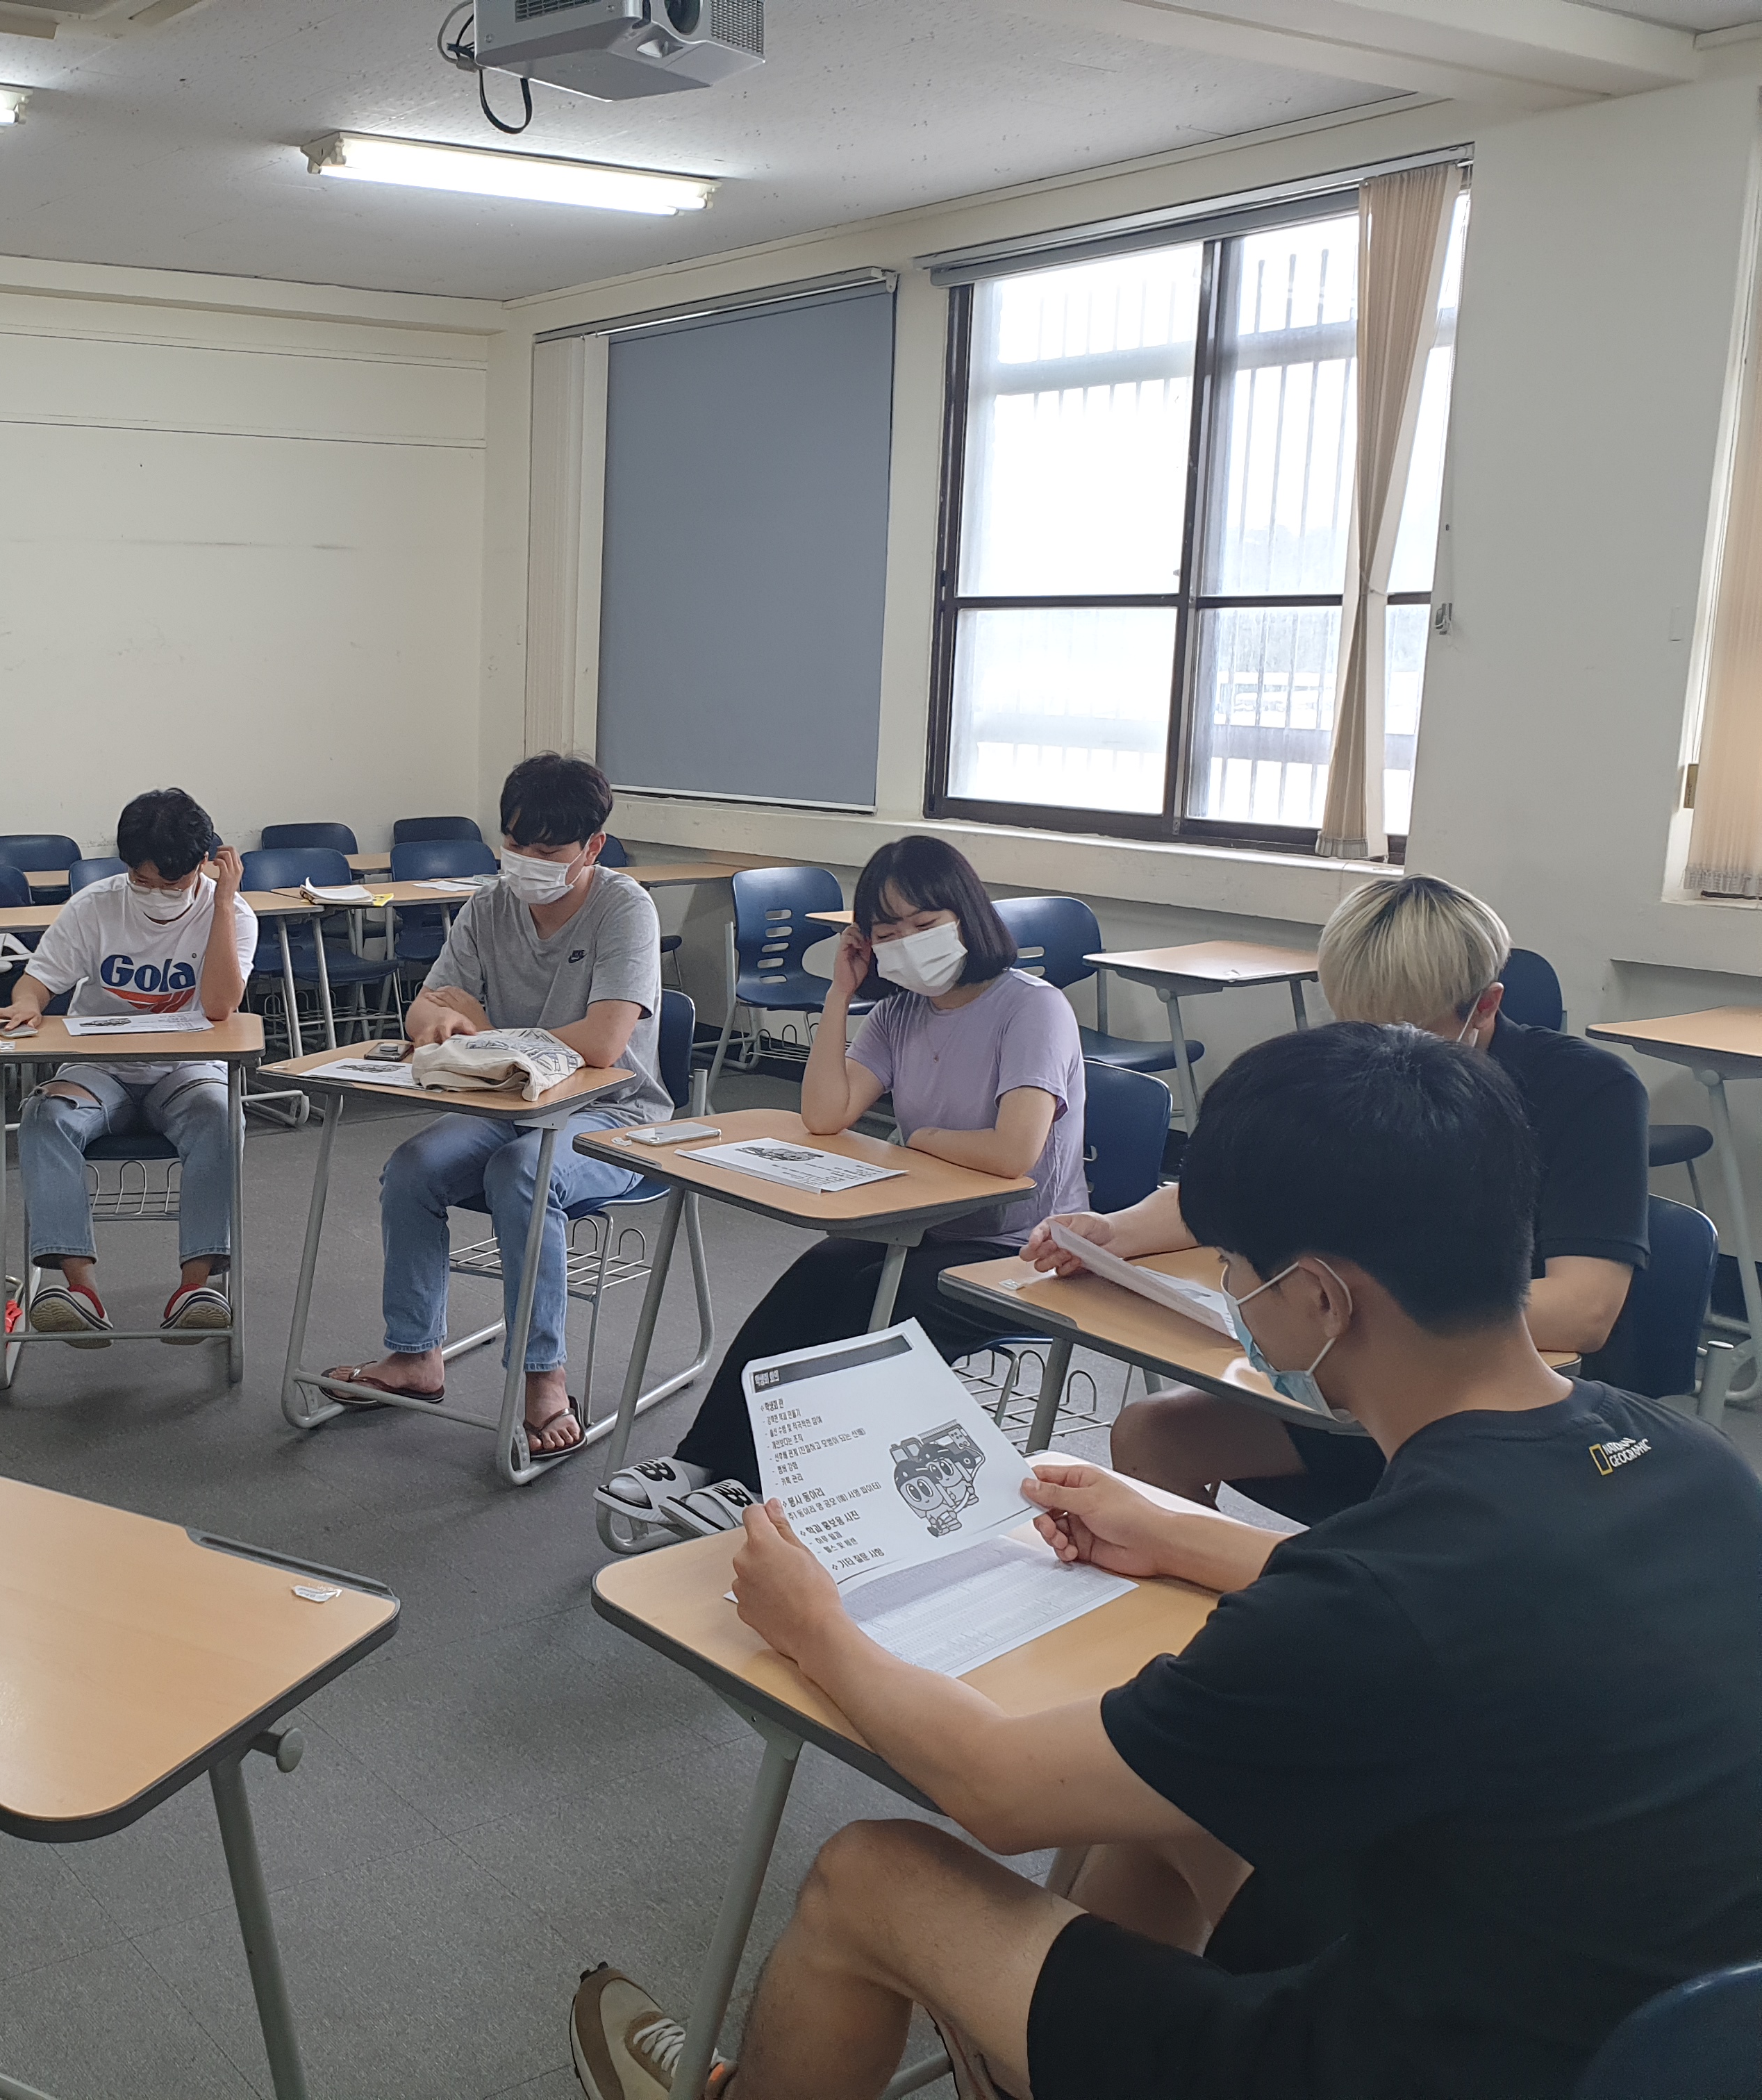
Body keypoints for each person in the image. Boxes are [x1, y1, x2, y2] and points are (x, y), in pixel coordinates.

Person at [567, 1024, 1762, 2100]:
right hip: (1630, 2026)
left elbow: (995, 1787)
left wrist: (813, 1622)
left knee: (868, 1875)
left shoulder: (1382, 1597)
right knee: (1169, 1796)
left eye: (1234, 1266)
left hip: (1412, 2055)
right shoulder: (1681, 1460)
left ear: (1318, 1299)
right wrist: (1181, 1532)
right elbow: (1456, 1612)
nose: (1230, 1294)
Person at [1029, 874, 1648, 1518]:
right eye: (1357, 1025)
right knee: (1152, 1435)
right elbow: (1240, 1187)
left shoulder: (1586, 1091)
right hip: (1362, 1378)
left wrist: (1356, 1320)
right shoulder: (1341, 1071)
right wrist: (1114, 1232)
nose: (1379, 1056)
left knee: (1417, 1522)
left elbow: (1585, 1310)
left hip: (1504, 1401)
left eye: (1410, 1030)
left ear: (1486, 1005)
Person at [598, 836, 1085, 1538]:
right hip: (922, 1225)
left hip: (1023, 1250)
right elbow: (826, 1115)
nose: (907, 943)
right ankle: (703, 1462)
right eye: (887, 933)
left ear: (968, 916)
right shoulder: (901, 1011)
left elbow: (1014, 1154)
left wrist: (921, 1140)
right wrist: (839, 995)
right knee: (814, 1279)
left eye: (924, 924)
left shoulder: (1032, 1008)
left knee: (875, 1304)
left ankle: (764, 1491)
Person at [329, 753, 670, 1456]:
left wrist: (483, 1030)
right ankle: (415, 1354)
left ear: (593, 848)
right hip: (511, 1102)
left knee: (523, 1173)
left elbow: (604, 1044)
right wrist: (447, 1022)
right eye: (514, 844)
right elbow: (425, 1010)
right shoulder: (489, 906)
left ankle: (544, 1376)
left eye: (547, 852)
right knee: (413, 1169)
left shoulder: (624, 908)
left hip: (615, 1116)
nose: (525, 863)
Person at [0, 788, 254, 1342]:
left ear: (204, 863)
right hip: (99, 1068)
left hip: (186, 1070)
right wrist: (26, 1005)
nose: (157, 895)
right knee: (44, 1117)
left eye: (172, 884)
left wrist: (222, 904)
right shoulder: (95, 905)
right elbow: (38, 981)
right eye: (142, 881)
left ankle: (195, 1290)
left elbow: (221, 1007)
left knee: (222, 1117)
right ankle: (80, 1292)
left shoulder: (234, 914)